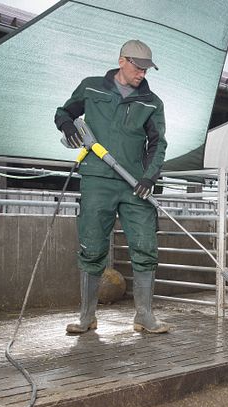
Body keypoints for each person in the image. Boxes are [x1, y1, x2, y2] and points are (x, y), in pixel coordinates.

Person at [55, 40, 168, 334]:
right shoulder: (91, 87)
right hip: (97, 180)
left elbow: (158, 144)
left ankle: (144, 315)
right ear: (122, 61)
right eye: (138, 67)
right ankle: (86, 317)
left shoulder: (152, 102)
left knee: (145, 246)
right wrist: (67, 126)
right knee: (92, 247)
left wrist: (149, 177)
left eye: (146, 69)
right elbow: (64, 112)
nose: (142, 74)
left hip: (135, 185)